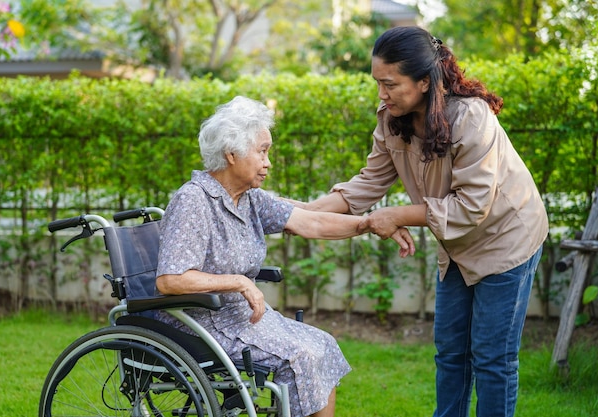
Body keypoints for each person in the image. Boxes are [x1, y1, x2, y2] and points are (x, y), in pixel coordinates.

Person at [293, 26, 549, 417]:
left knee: (492, 358)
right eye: (378, 83)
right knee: (450, 352)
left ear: (425, 81)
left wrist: (396, 215)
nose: (382, 94)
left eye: (390, 84)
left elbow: (470, 206)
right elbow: (369, 182)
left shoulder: (469, 117)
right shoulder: (393, 118)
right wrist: (299, 213)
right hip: (457, 247)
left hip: (506, 240)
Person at [154, 95, 412, 417]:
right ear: (232, 154)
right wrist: (238, 282)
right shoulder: (194, 201)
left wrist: (370, 224)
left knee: (322, 346)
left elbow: (312, 221)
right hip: (201, 321)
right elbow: (170, 279)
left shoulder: (249, 199)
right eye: (262, 151)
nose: (268, 162)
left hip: (241, 318)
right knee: (300, 356)